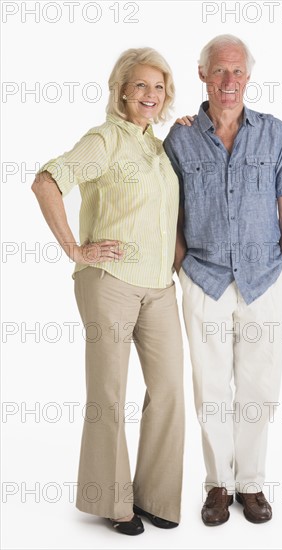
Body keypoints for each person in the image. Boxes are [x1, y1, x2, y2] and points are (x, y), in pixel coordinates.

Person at [32, 47, 184, 536]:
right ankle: (112, 502)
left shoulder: (158, 148)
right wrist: (75, 249)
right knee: (109, 393)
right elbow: (47, 181)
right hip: (110, 284)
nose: (150, 95)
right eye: (140, 85)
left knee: (168, 392)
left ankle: (157, 497)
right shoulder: (105, 140)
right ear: (121, 89)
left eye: (158, 87)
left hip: (159, 287)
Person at [164, 34, 282, 526]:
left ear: (248, 76)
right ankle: (217, 485)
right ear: (202, 74)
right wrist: (181, 266)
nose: (229, 81)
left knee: (259, 386)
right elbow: (170, 211)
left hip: (266, 278)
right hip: (203, 277)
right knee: (210, 389)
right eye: (219, 71)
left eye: (238, 71)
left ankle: (252, 484)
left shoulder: (275, 133)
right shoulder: (179, 137)